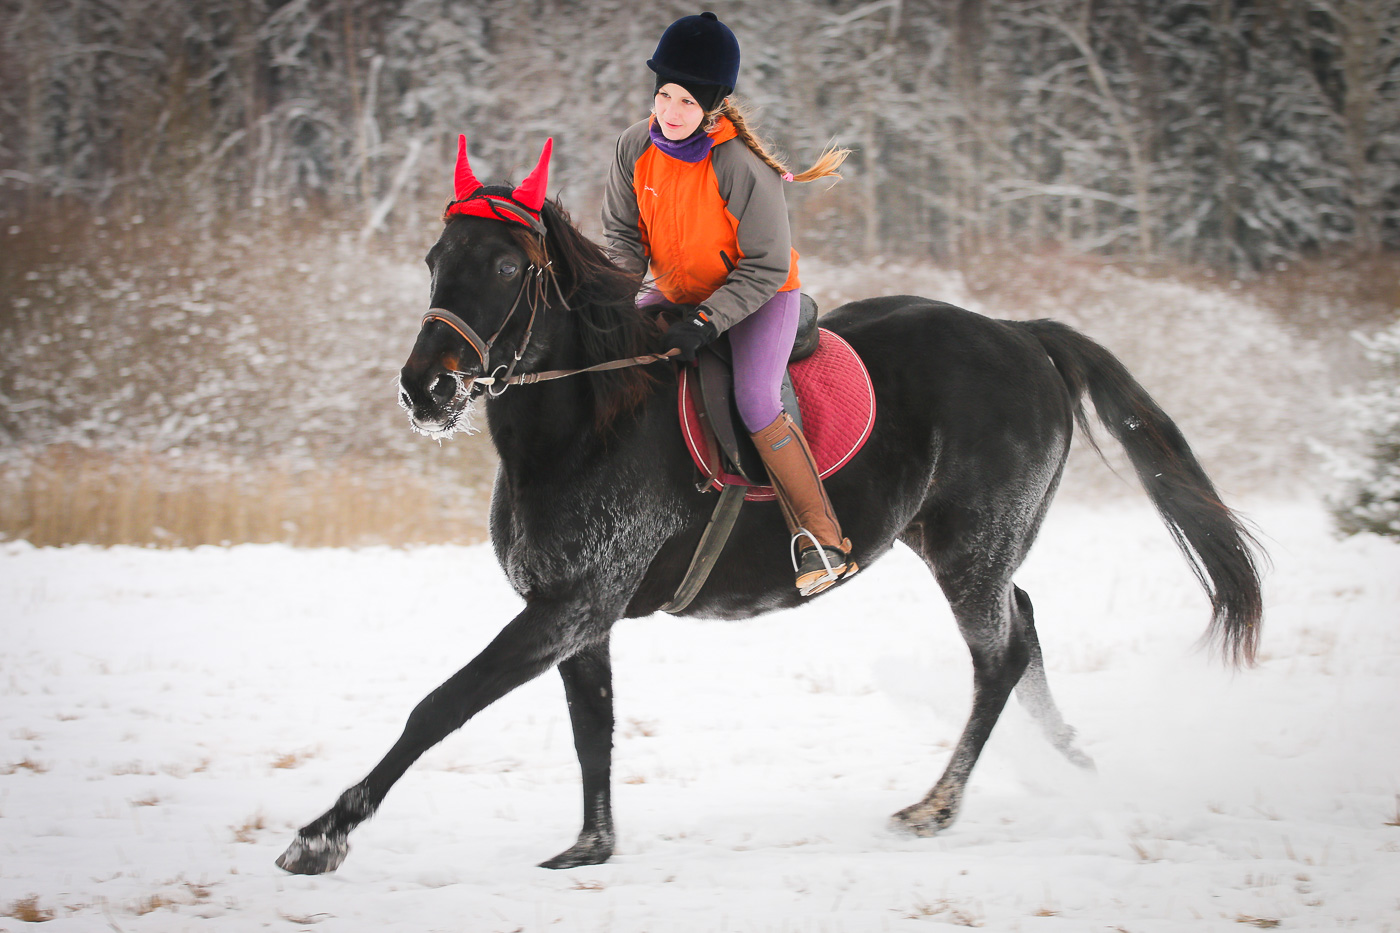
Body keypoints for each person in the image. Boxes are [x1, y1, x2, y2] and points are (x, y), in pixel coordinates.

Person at [602, 11, 854, 597]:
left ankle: (822, 538)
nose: (670, 111)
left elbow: (765, 264)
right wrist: (616, 302)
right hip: (677, 286)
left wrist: (708, 319)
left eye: (686, 101)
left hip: (758, 293)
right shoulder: (633, 146)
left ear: (713, 106)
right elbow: (622, 237)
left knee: (754, 397)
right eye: (664, 94)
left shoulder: (740, 165)